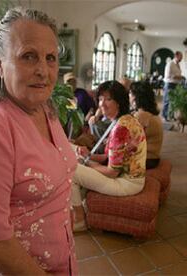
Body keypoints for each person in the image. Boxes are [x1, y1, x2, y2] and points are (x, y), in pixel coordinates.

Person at [0, 7, 77, 275]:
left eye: (51, 58)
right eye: (28, 56)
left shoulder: (46, 109)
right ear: (0, 64)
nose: (43, 70)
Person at [72, 80, 147, 231]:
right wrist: (88, 155)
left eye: (108, 99)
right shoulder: (124, 120)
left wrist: (86, 161)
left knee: (70, 171)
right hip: (131, 178)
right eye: (100, 99)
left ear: (119, 102)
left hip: (127, 183)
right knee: (77, 159)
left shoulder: (120, 128)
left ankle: (80, 220)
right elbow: (106, 157)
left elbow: (112, 172)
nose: (102, 104)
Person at [129, 82, 163, 169]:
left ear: (136, 97)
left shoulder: (141, 116)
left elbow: (131, 140)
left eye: (130, 93)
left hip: (147, 158)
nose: (128, 96)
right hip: (153, 157)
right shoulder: (150, 114)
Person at [162, 51, 183, 121]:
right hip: (169, 84)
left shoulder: (178, 65)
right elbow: (168, 76)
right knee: (167, 101)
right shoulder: (170, 64)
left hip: (176, 84)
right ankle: (164, 116)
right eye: (181, 56)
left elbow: (178, 74)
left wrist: (180, 77)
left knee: (174, 101)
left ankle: (171, 116)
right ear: (176, 56)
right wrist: (178, 77)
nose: (181, 58)